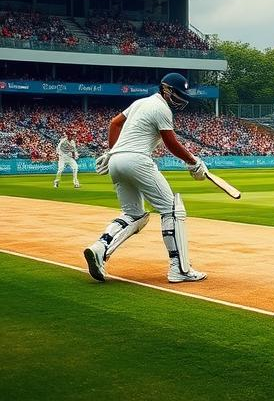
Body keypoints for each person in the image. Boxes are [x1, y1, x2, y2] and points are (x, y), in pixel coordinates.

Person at [83, 73, 209, 284]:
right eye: (177, 94)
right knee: (172, 210)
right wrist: (193, 161)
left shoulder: (140, 102)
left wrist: (113, 151)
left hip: (115, 161)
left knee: (134, 214)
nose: (181, 99)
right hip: (137, 160)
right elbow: (171, 142)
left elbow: (114, 124)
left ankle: (100, 248)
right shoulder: (161, 109)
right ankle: (180, 269)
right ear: (166, 90)